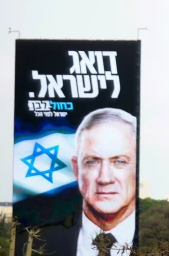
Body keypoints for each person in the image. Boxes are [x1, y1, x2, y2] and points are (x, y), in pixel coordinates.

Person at [25, 108, 138, 256]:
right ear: (76, 169)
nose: (105, 178)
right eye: (92, 162)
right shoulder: (31, 242)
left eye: (119, 161)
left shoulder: (160, 238)